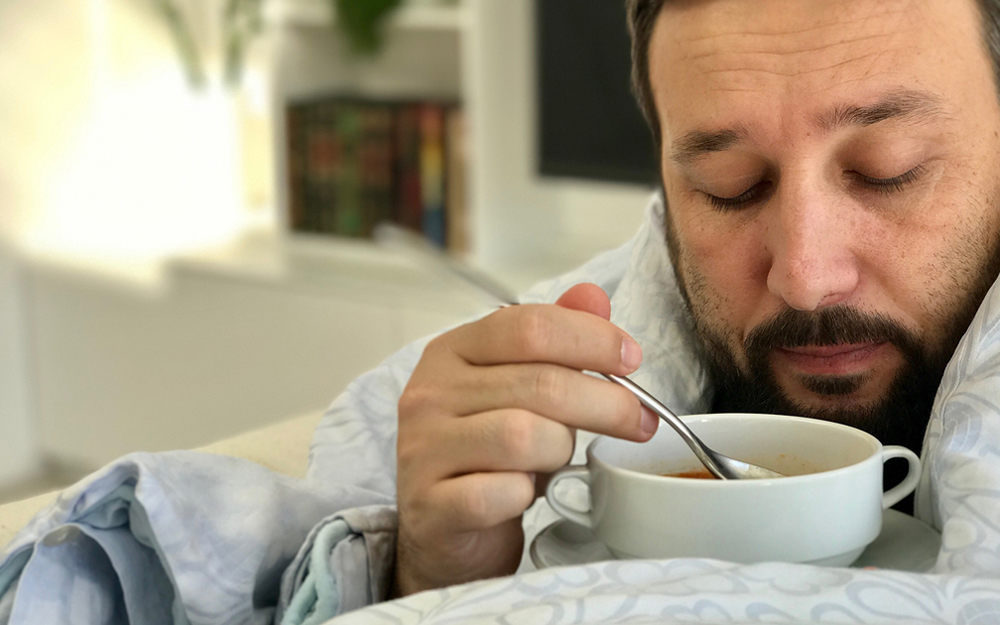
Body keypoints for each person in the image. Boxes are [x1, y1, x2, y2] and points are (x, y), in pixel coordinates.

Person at [392, 0, 1000, 597]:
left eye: (889, 170)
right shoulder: (546, 358)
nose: (805, 279)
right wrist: (434, 573)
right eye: (730, 187)